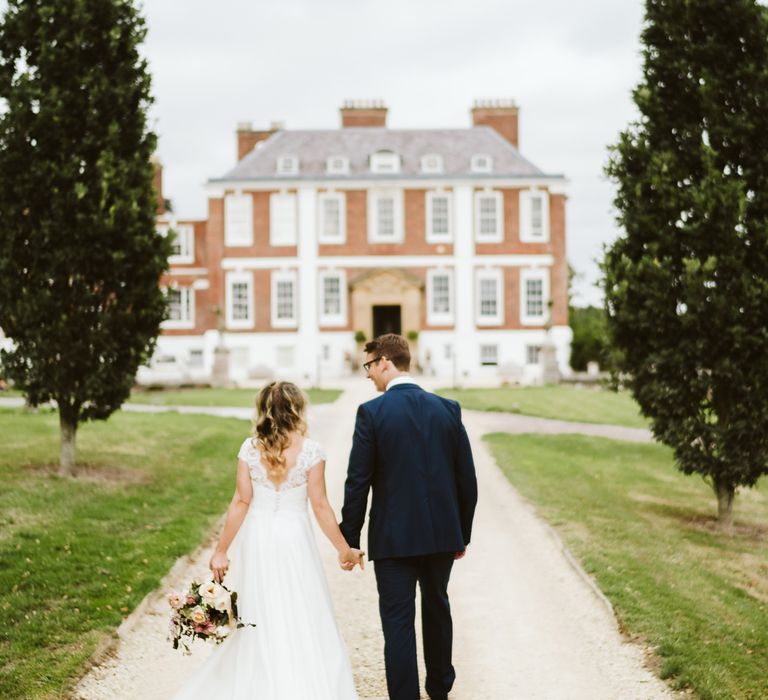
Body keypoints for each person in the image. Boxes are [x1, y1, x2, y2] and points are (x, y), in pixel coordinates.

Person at [172, 381, 363, 700]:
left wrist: (221, 551)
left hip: (259, 536)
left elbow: (241, 502)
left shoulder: (250, 448)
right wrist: (343, 549)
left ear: (263, 409)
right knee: (301, 604)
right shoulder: (311, 450)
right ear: (298, 408)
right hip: (294, 538)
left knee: (260, 605)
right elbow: (320, 505)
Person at [340, 333, 478, 700]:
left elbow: (358, 482)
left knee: (398, 624)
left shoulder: (372, 412)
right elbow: (467, 479)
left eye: (369, 365)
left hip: (393, 539)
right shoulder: (447, 408)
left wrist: (349, 539)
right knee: (437, 608)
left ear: (385, 361)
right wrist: (461, 533)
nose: (367, 374)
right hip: (440, 536)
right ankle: (439, 690)